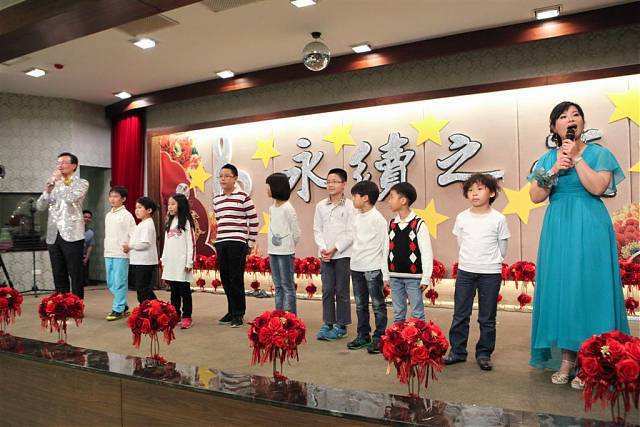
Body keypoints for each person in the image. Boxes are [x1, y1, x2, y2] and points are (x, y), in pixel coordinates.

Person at [528, 101, 629, 388]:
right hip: (559, 226)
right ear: (553, 127)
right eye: (563, 116)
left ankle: (592, 359)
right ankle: (567, 359)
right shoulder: (547, 158)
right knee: (563, 288)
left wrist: (577, 158)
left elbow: (598, 187)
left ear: (582, 123)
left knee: (589, 287)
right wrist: (554, 169)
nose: (570, 119)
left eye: (576, 115)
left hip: (590, 224)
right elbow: (535, 196)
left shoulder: (599, 153)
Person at [444, 174, 510, 371]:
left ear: (492, 193)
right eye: (470, 190)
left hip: (490, 273)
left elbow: (503, 247)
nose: (474, 193)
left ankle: (484, 354)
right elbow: (461, 242)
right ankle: (457, 351)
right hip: (465, 272)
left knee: (487, 317)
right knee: (460, 314)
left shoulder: (498, 218)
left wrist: (492, 262)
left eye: (480, 189)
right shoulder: (462, 217)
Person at [36, 152, 89, 298]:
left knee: (75, 272)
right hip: (53, 234)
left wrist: (58, 183)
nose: (60, 166)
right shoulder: (53, 183)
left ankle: (77, 304)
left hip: (72, 234)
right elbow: (40, 206)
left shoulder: (81, 183)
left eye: (64, 162)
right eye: (58, 163)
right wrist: (47, 190)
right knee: (58, 272)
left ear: (74, 166)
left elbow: (70, 198)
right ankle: (61, 303)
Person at [213, 164, 259, 328]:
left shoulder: (243, 197)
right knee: (225, 278)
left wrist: (250, 243)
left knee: (235, 278)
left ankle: (239, 313)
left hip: (237, 242)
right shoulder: (217, 199)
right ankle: (231, 310)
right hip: (221, 242)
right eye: (221, 176)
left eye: (227, 176)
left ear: (235, 178)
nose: (223, 179)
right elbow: (219, 221)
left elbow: (254, 221)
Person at [313, 168, 355, 341]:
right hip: (325, 255)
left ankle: (342, 325)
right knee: (327, 290)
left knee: (342, 290)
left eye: (335, 181)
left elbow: (351, 232)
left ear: (344, 184)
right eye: (328, 181)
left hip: (343, 254)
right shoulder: (320, 206)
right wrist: (323, 248)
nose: (331, 185)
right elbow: (317, 229)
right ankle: (328, 323)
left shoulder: (350, 205)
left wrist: (335, 248)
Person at [347, 180, 388, 353]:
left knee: (377, 304)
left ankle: (380, 337)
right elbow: (352, 239)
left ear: (365, 198)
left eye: (354, 196)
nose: (352, 199)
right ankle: (363, 335)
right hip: (356, 266)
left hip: (373, 267)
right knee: (360, 305)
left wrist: (385, 273)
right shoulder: (356, 217)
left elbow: (385, 246)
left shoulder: (378, 219)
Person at [384, 182, 433, 323]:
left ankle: (418, 336)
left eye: (392, 197)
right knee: (398, 313)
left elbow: (426, 252)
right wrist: (386, 275)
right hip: (395, 277)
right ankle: (398, 336)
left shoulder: (418, 224)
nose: (389, 201)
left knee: (417, 313)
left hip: (414, 278)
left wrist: (425, 277)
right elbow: (386, 251)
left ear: (403, 200)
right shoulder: (391, 224)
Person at [266, 173, 301, 313]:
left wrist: (288, 246)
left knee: (287, 285)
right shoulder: (272, 208)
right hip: (273, 251)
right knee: (278, 286)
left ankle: (289, 317)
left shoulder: (288, 208)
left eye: (268, 186)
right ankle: (278, 315)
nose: (267, 189)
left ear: (276, 187)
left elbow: (296, 232)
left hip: (285, 253)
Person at [161, 193, 195, 329]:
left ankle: (187, 316)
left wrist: (189, 262)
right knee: (174, 290)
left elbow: (191, 243)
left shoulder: (186, 221)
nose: (170, 207)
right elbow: (166, 243)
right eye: (169, 204)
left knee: (184, 290)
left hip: (182, 263)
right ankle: (175, 314)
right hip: (171, 263)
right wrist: (163, 259)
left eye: (173, 204)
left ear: (180, 205)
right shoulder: (169, 222)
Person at [104, 186, 136, 321]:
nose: (112, 199)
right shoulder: (108, 215)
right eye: (111, 196)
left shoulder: (127, 216)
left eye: (116, 196)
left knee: (119, 282)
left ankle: (118, 309)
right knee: (111, 282)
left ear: (123, 199)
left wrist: (130, 246)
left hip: (121, 254)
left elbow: (134, 234)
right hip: (108, 252)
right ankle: (123, 305)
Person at [123, 197, 158, 305]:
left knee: (143, 290)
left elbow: (145, 244)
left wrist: (130, 246)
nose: (136, 210)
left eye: (140, 207)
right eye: (136, 208)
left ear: (149, 210)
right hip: (139, 261)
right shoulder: (142, 224)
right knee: (142, 290)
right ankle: (153, 309)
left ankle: (154, 310)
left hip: (145, 262)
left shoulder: (147, 225)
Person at [82, 210, 95, 288]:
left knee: (84, 281)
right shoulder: (74, 230)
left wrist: (86, 258)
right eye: (85, 217)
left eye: (89, 217)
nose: (87, 219)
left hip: (83, 257)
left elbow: (90, 246)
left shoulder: (90, 232)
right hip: (73, 256)